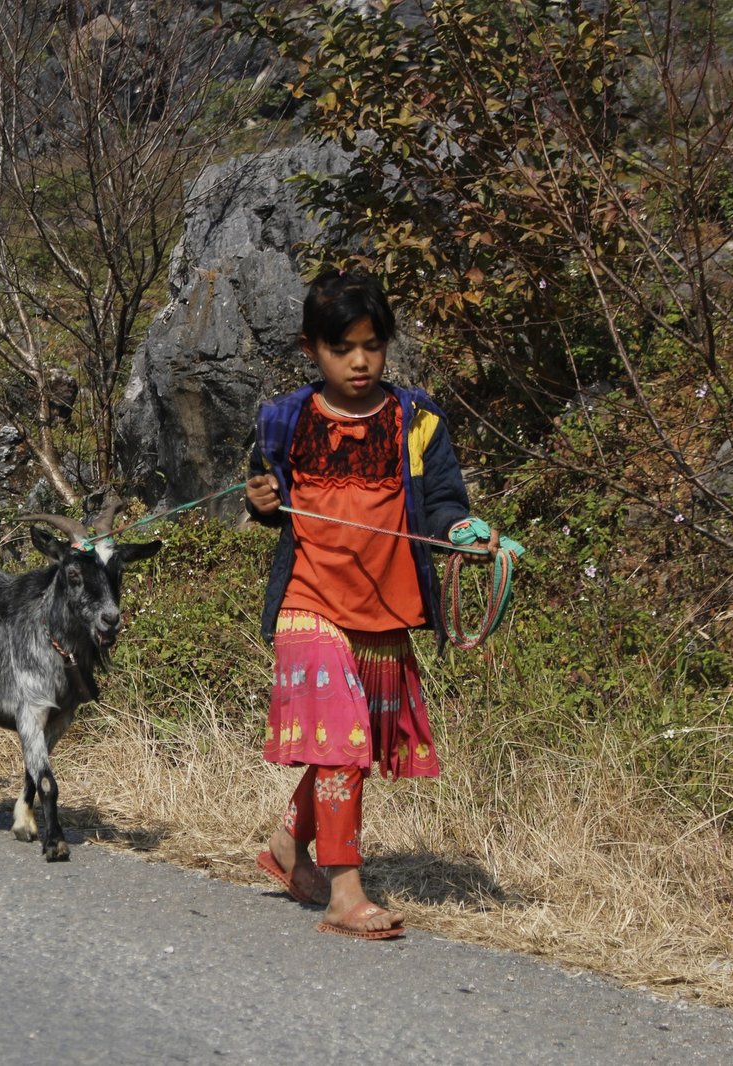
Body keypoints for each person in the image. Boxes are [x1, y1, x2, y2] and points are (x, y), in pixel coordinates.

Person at [244, 267, 498, 940]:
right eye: (341, 348)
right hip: (310, 600)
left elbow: (442, 503)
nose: (359, 362)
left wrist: (463, 532)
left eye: (372, 345)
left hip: (383, 614)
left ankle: (287, 843)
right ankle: (345, 893)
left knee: (345, 746)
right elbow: (267, 496)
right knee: (341, 742)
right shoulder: (285, 420)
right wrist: (260, 500)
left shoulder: (417, 421)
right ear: (311, 350)